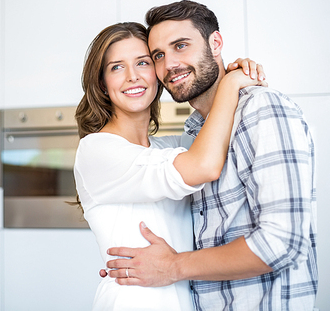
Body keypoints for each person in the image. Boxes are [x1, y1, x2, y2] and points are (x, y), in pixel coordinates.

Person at [105, 0, 318, 310]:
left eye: (181, 46)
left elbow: (281, 243)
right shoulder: (195, 133)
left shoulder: (262, 109)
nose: (169, 65)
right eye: (159, 56)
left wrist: (173, 266)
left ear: (215, 43)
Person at [74, 21, 266, 311]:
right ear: (102, 82)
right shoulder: (97, 150)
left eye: (143, 62)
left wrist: (229, 70)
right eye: (116, 67)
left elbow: (213, 135)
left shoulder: (168, 148)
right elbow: (204, 166)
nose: (132, 77)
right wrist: (230, 83)